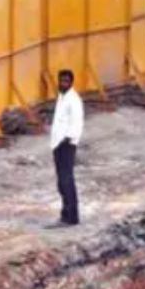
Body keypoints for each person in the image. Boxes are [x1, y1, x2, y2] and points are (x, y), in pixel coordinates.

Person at [50, 69, 84, 226]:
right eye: (61, 81)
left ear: (71, 82)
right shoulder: (61, 97)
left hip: (66, 144)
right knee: (61, 182)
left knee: (66, 180)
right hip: (57, 144)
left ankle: (71, 217)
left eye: (66, 81)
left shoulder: (73, 99)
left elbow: (77, 122)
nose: (63, 84)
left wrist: (67, 140)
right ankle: (66, 214)